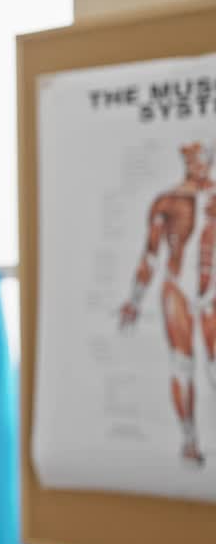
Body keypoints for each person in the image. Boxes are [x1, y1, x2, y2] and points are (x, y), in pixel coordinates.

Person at [120, 141, 215, 467]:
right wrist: (134, 299)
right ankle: (189, 439)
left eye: (203, 157)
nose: (198, 164)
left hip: (211, 289)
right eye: (192, 158)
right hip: (178, 289)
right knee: (182, 366)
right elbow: (150, 253)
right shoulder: (168, 201)